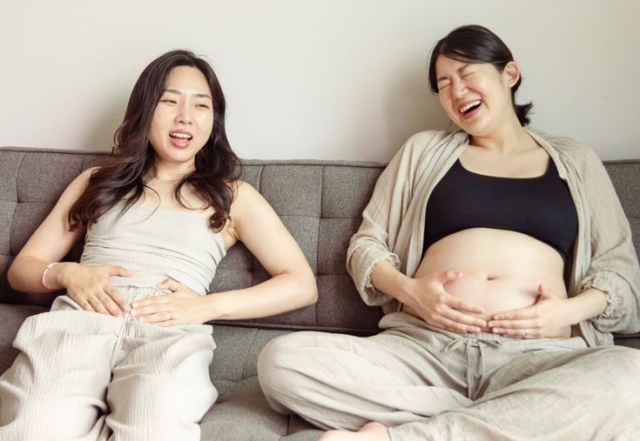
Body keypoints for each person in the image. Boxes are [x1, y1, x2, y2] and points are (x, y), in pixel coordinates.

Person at [257, 24, 640, 440]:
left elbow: (621, 274)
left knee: (630, 377)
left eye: (467, 72)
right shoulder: (423, 151)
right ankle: (517, 417)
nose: (456, 90)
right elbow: (366, 246)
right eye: (443, 83)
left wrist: (564, 312)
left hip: (537, 356)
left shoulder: (577, 161)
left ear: (509, 74)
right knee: (280, 362)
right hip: (423, 353)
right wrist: (411, 291)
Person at [0, 49, 317, 441]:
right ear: (145, 109)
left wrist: (208, 306)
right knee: (36, 426)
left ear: (212, 120)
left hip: (168, 335)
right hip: (80, 323)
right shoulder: (98, 181)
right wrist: (67, 272)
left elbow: (301, 283)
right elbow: (23, 268)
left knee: (153, 427)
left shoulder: (233, 196)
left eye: (201, 105)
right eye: (170, 101)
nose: (185, 115)